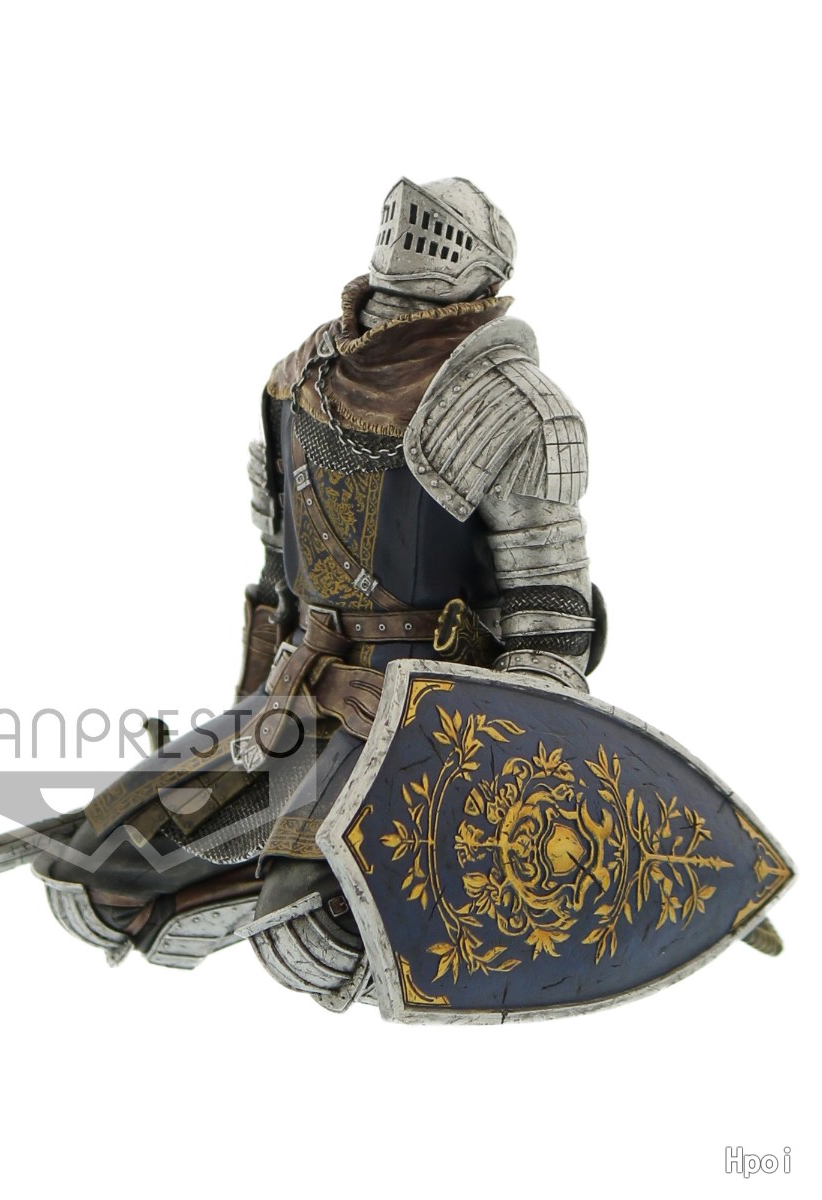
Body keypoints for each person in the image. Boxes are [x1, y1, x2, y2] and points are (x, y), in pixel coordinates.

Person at [32, 177, 601, 1006]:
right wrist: (249, 705)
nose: (411, 224)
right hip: (300, 695)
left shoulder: (515, 409)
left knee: (309, 935)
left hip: (423, 720)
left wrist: (504, 777)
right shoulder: (297, 381)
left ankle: (372, 906)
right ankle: (267, 870)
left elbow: (550, 622)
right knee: (95, 880)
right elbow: (280, 574)